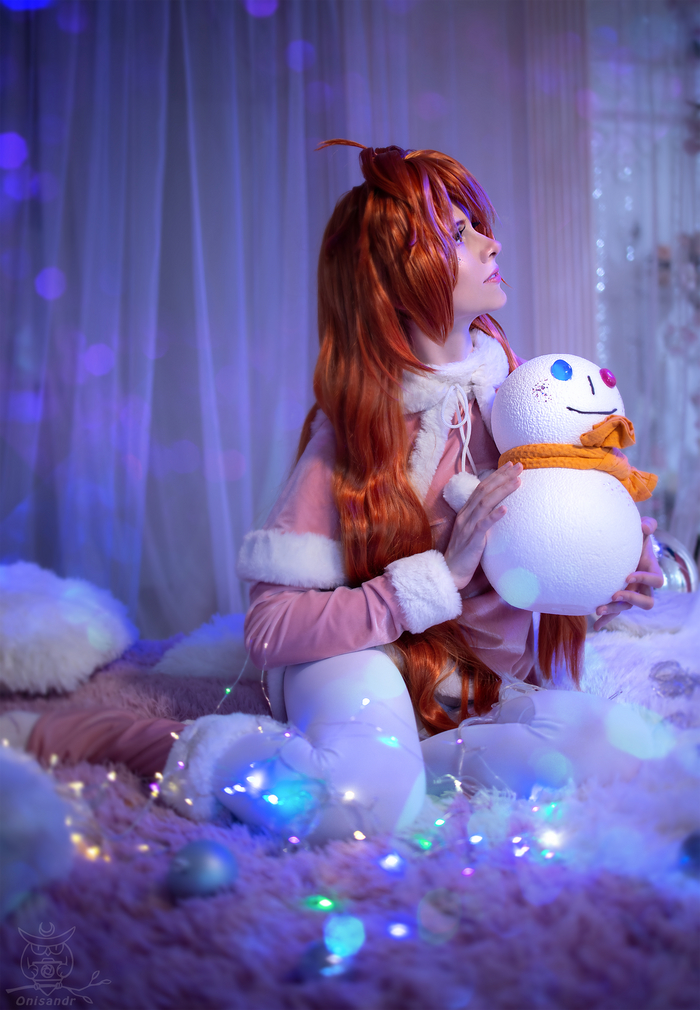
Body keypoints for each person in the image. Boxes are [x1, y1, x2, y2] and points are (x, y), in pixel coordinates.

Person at [7, 142, 663, 845]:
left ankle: (404, 763)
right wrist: (438, 578)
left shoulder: (526, 405)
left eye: (479, 225)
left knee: (621, 753)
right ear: (396, 274)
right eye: (457, 233)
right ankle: (108, 735)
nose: (490, 243)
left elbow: (531, 583)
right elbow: (271, 629)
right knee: (357, 807)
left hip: (463, 687)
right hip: (358, 657)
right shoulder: (355, 433)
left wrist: (598, 582)